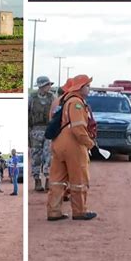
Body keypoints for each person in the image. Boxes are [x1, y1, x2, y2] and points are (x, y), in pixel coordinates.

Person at [47, 74, 97, 221]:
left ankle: (53, 212)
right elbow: (78, 129)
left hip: (58, 142)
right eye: (87, 86)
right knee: (79, 179)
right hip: (73, 144)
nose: (89, 88)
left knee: (57, 180)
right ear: (80, 88)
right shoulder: (76, 102)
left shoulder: (62, 100)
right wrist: (90, 144)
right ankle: (80, 211)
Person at [29, 75, 54, 192]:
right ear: (42, 86)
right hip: (35, 130)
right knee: (36, 156)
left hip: (48, 130)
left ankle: (48, 180)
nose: (49, 87)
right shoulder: (32, 98)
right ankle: (37, 180)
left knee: (48, 156)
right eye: (48, 85)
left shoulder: (52, 97)